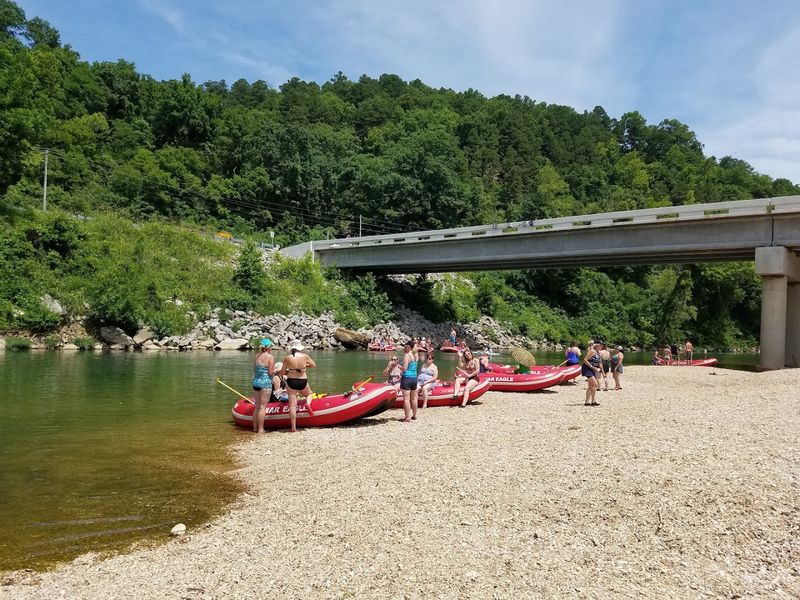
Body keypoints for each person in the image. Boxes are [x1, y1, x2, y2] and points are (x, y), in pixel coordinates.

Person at [279, 342, 316, 432]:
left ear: (292, 348)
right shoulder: (305, 356)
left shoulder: (287, 358)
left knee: (292, 405)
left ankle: (293, 428)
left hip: (291, 381)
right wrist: (304, 366)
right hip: (302, 380)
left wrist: (290, 371)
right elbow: (313, 365)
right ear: (299, 348)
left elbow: (283, 372)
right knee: (309, 394)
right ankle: (308, 404)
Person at [252, 339, 275, 434]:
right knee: (262, 407)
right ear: (268, 347)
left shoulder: (257, 355)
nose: (272, 348)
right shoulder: (270, 357)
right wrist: (277, 371)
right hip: (265, 384)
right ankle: (261, 429)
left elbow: (255, 369)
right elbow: (270, 372)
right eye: (271, 346)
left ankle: (255, 428)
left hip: (256, 382)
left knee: (257, 406)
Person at [399, 340, 419, 422]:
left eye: (406, 346)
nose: (405, 347)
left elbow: (404, 369)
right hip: (414, 377)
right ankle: (414, 416)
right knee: (413, 399)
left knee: (406, 399)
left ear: (408, 346)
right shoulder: (416, 355)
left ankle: (407, 418)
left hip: (407, 378)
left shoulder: (407, 355)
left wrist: (398, 366)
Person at [581, 340, 601, 406]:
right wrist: (592, 367)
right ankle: (593, 401)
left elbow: (599, 362)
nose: (602, 346)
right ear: (597, 345)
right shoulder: (592, 351)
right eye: (600, 345)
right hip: (588, 369)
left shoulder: (597, 352)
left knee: (590, 386)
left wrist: (599, 369)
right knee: (595, 384)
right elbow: (585, 360)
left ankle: (587, 402)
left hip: (592, 369)